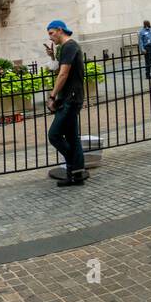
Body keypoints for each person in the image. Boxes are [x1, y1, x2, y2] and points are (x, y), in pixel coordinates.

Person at [45, 20, 87, 187]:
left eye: (51, 33)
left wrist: (52, 96)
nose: (50, 37)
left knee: (54, 135)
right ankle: (76, 175)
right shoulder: (65, 48)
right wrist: (52, 57)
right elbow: (59, 68)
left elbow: (63, 74)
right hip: (71, 98)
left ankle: (73, 165)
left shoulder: (69, 46)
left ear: (60, 30)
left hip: (70, 98)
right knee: (71, 137)